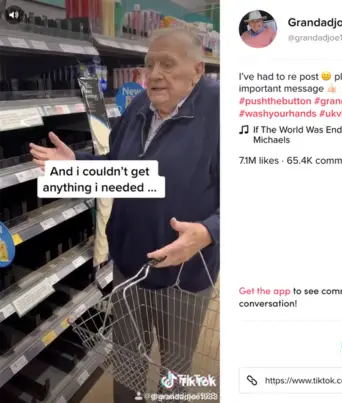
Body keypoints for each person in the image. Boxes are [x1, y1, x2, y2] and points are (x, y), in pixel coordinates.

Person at [29, 27, 219, 403]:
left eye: (168, 64)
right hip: (130, 265)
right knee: (127, 358)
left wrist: (210, 231)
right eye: (149, 65)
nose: (155, 74)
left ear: (197, 70)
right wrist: (78, 165)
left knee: (175, 368)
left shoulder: (222, 112)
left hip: (185, 273)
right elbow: (117, 167)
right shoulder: (138, 108)